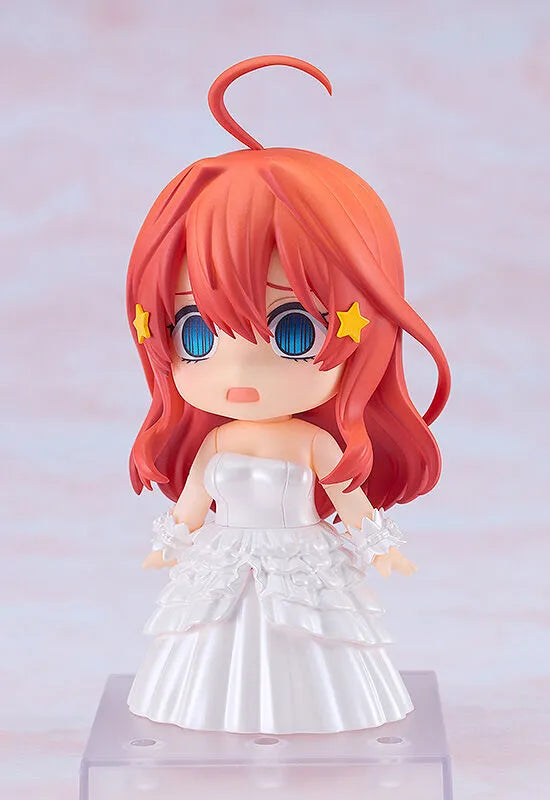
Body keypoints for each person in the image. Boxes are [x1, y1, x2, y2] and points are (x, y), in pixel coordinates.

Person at [125, 55, 451, 734]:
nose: (238, 368)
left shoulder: (311, 442)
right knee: (211, 639)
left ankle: (311, 716)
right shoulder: (217, 439)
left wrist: (379, 545)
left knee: (309, 640)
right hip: (225, 558)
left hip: (300, 560)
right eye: (196, 333)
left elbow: (349, 499)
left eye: (293, 330)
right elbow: (192, 503)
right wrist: (171, 541)